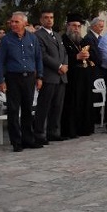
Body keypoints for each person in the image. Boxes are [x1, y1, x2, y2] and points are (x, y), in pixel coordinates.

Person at [0, 12, 44, 152]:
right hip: (13, 77)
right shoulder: (6, 40)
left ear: (25, 23)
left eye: (17, 22)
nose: (13, 24)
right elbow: (1, 61)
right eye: (12, 22)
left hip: (29, 77)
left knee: (28, 109)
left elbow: (38, 58)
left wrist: (39, 76)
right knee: (13, 109)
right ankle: (16, 141)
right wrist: (1, 80)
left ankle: (28, 139)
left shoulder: (32, 38)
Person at [34, 10, 68, 144]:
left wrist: (65, 64)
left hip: (61, 77)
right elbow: (43, 55)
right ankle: (39, 133)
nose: (49, 20)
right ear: (41, 20)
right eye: (46, 18)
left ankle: (53, 132)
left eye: (51, 18)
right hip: (49, 75)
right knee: (44, 106)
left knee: (57, 106)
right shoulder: (38, 35)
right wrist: (59, 66)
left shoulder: (57, 35)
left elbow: (64, 52)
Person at [60, 15, 97, 138]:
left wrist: (88, 55)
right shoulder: (63, 40)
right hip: (72, 78)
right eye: (74, 26)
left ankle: (85, 128)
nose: (76, 29)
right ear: (68, 26)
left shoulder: (82, 41)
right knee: (72, 104)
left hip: (85, 77)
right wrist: (76, 57)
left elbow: (94, 55)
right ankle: (71, 130)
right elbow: (62, 58)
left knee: (85, 102)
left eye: (78, 26)